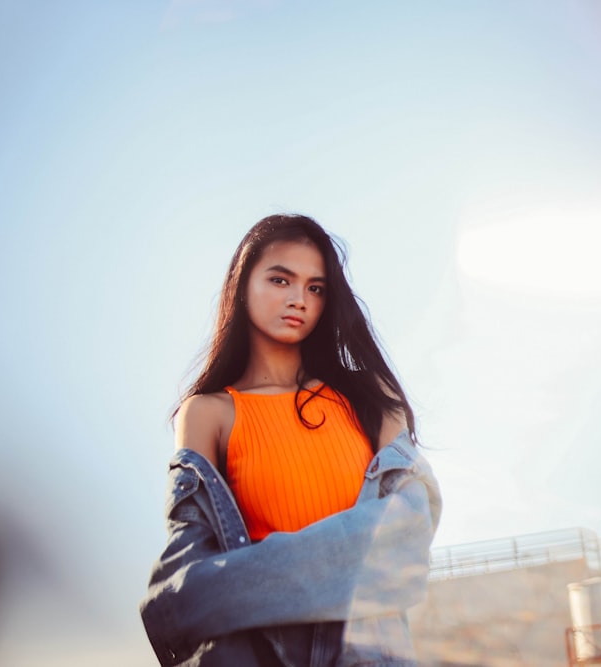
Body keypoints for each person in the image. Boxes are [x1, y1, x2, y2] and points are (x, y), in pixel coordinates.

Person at [141, 214, 442, 667]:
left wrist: (236, 589)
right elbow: (184, 586)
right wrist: (347, 567)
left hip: (369, 653)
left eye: (315, 288)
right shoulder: (208, 413)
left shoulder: (371, 400)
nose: (298, 299)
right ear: (243, 287)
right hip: (254, 656)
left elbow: (403, 544)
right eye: (280, 279)